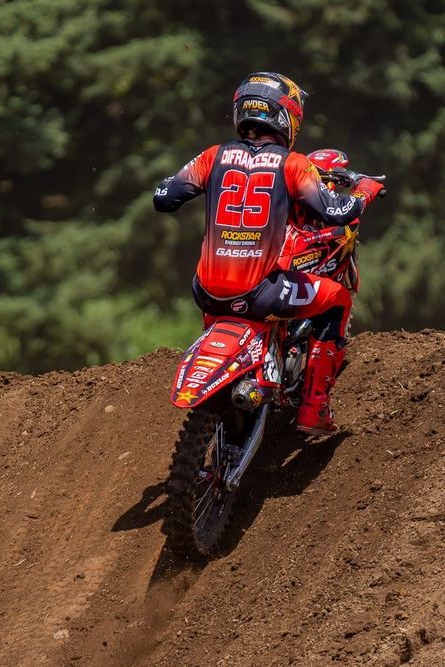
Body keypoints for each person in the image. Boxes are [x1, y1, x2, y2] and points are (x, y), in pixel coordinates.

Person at [152, 72, 384, 436]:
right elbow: (336, 212)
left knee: (234, 295)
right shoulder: (291, 164)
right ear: (287, 118)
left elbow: (164, 198)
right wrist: (365, 191)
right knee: (337, 299)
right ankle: (313, 408)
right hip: (261, 294)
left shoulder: (213, 156)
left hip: (206, 292)